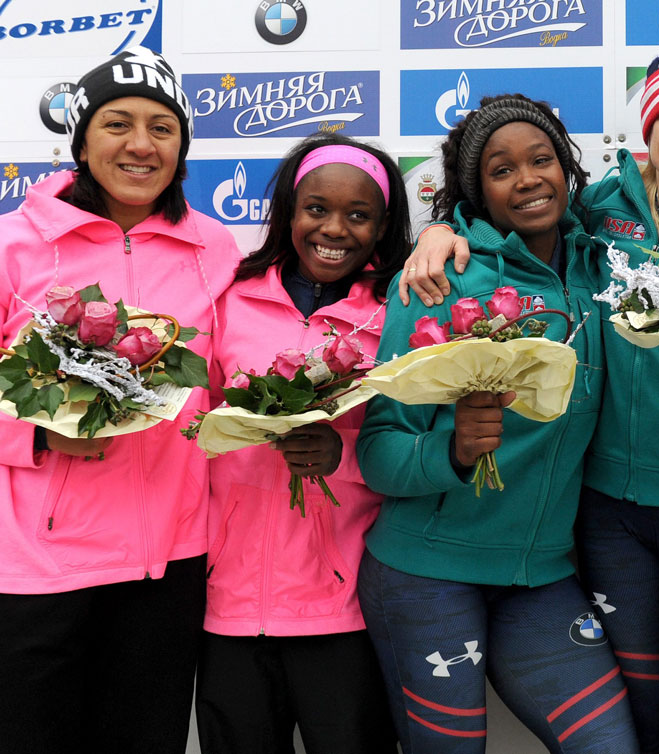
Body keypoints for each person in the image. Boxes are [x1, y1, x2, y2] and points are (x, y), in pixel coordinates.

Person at [399, 11, 659, 751]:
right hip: (605, 514)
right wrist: (440, 229)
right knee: (644, 727)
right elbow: (513, 214)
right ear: (647, 128)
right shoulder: (596, 214)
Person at [355, 94, 638, 754]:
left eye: (541, 159)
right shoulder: (441, 278)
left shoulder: (603, 265)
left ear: (568, 168)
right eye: (501, 169)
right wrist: (452, 453)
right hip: (426, 573)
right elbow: (379, 446)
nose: (528, 178)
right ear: (474, 191)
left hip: (541, 578)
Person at [0, 47, 240, 753]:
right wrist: (39, 435)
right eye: (117, 123)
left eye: (162, 127)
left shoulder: (216, 250)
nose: (141, 144)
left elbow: (234, 379)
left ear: (182, 145)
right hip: (38, 570)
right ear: (81, 138)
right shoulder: (15, 245)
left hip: (165, 567)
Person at [194, 133, 408, 754]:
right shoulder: (229, 301)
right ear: (288, 210)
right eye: (316, 209)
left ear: (383, 224)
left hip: (343, 605)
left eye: (358, 215)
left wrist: (342, 462)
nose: (333, 229)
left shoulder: (395, 314)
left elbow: (409, 444)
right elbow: (193, 427)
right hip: (229, 599)